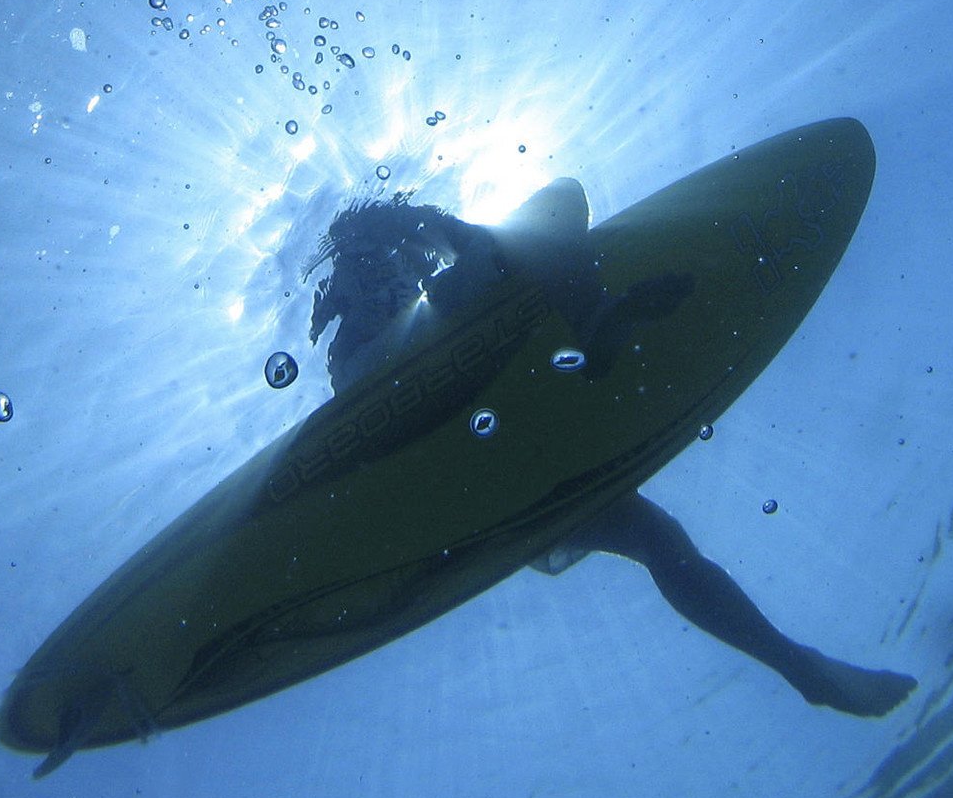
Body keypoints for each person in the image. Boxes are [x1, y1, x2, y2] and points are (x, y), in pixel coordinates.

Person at [302, 183, 916, 718]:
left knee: (657, 539)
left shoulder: (404, 261)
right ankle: (595, 321)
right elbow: (357, 350)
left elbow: (468, 237)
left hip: (496, 441)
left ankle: (797, 665)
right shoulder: (359, 276)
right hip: (402, 400)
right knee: (542, 219)